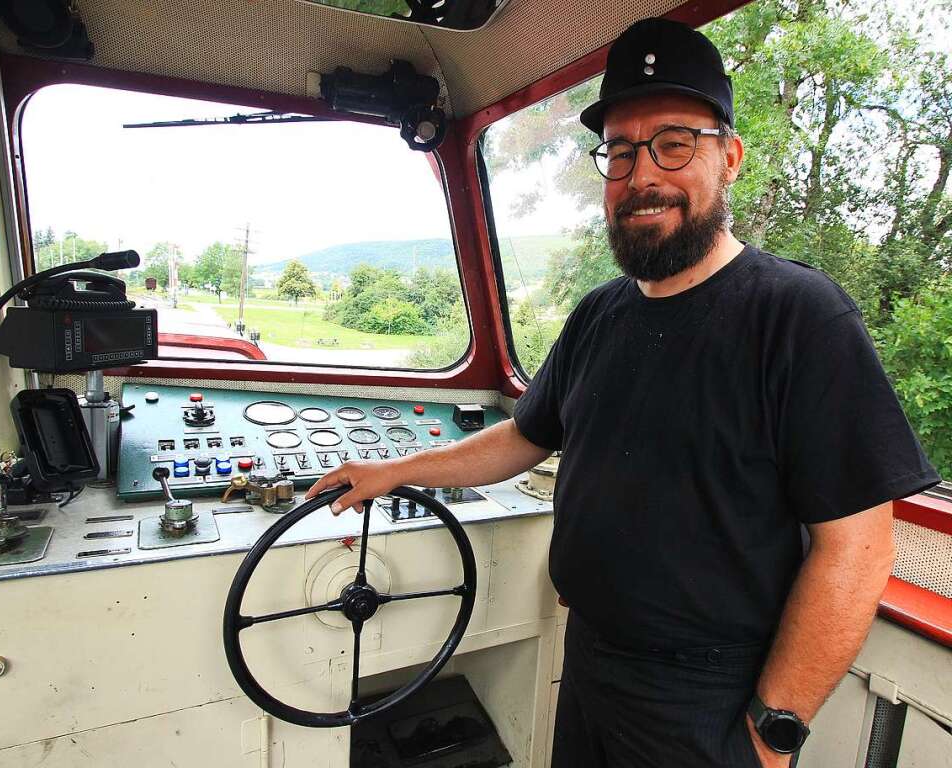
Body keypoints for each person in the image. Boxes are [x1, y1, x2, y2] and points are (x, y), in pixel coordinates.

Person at [307, 17, 940, 768]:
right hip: (594, 663)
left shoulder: (798, 316)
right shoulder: (599, 314)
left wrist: (775, 730)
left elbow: (858, 549)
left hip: (711, 696)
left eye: (674, 144)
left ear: (730, 157)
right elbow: (524, 436)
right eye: (620, 150)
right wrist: (396, 470)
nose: (643, 175)